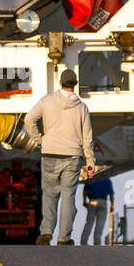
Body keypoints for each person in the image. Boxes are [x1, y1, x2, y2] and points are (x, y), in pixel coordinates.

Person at [23, 69, 96, 246]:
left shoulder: (47, 101)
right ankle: (64, 238)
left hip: (49, 153)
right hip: (72, 156)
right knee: (68, 196)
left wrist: (40, 140)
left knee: (49, 194)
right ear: (75, 84)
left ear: (60, 83)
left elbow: (28, 120)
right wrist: (90, 162)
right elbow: (88, 138)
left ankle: (46, 233)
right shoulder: (82, 108)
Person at [81, 175, 114, 245]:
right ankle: (97, 242)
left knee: (89, 223)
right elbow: (111, 194)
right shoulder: (107, 180)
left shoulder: (90, 180)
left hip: (92, 201)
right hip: (102, 201)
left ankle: (83, 241)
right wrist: (112, 205)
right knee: (100, 223)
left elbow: (85, 192)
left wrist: (84, 201)